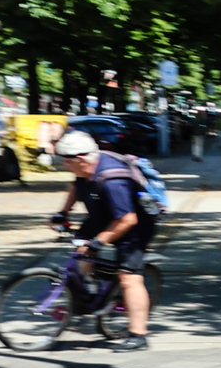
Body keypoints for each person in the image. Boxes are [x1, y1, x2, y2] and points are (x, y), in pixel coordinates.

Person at [43, 129, 156, 349]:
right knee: (80, 251)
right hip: (103, 217)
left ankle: (138, 336)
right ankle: (93, 295)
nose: (64, 165)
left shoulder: (113, 180)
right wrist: (63, 213)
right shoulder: (85, 169)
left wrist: (98, 243)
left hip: (135, 226)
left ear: (81, 159)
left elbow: (127, 219)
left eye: (67, 162)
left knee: (129, 279)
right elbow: (77, 185)